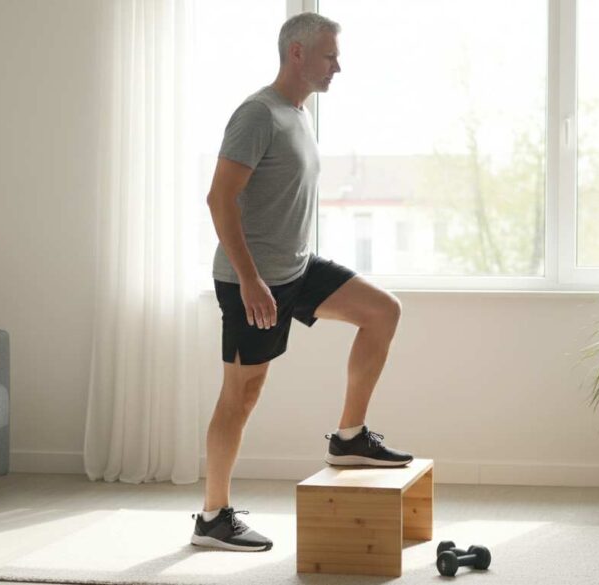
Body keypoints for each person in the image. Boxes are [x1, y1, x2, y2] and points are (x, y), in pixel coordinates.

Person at [191, 12, 413, 552]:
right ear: (297, 53)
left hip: (297, 268)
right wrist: (250, 280)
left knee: (382, 311)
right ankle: (212, 517)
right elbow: (219, 199)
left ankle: (349, 438)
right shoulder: (257, 114)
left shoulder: (299, 113)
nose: (338, 66)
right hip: (251, 280)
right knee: (242, 394)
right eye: (329, 55)